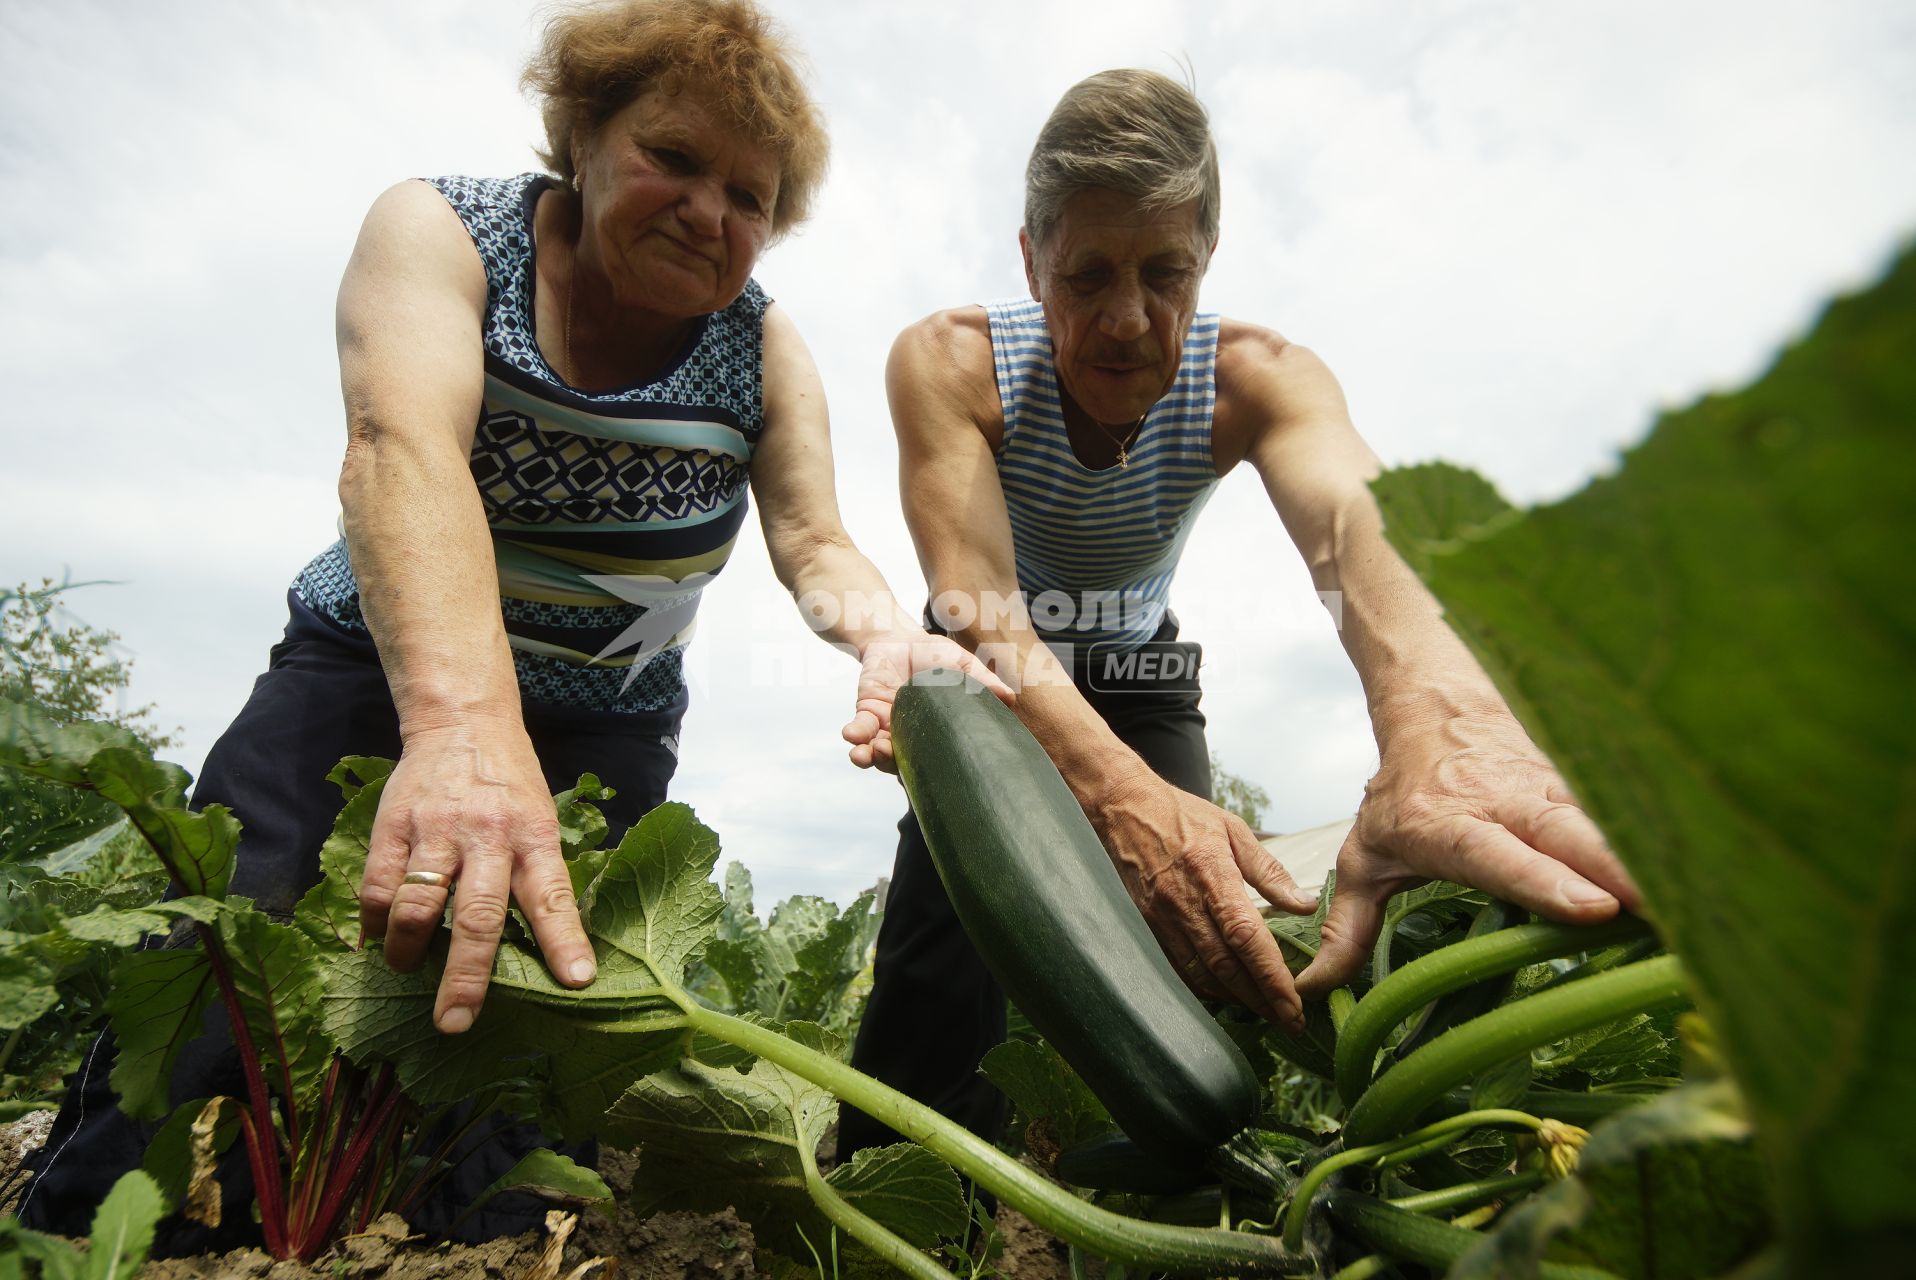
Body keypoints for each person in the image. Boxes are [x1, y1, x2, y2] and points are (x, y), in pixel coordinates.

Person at [21, 0, 997, 1249]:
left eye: (749, 196)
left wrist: (884, 636)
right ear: (582, 134)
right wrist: (466, 720)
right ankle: (97, 1239)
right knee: (228, 970)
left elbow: (813, 540)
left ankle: (481, 1249)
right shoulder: (443, 231)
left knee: (527, 1061)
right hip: (370, 674)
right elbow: (400, 447)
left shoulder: (757, 344)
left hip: (604, 728)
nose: (709, 211)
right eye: (675, 157)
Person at [837, 69, 1642, 1163]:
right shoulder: (950, 362)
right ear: (1030, 263)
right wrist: (1119, 794)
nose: (1127, 319)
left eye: (1164, 272)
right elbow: (980, 602)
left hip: (1134, 669)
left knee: (1197, 945)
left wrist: (1439, 725)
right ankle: (907, 1192)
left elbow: (1357, 537)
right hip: (986, 666)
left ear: (1206, 256)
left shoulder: (1260, 379)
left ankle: (1147, 1200)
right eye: (1086, 275)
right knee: (941, 955)